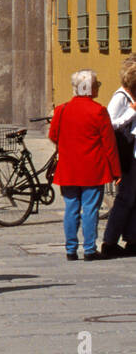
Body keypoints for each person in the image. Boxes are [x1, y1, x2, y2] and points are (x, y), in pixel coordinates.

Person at [50, 69, 121, 261]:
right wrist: (116, 171)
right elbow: (109, 144)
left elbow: (53, 135)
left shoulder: (61, 109)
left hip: (69, 168)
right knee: (90, 209)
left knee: (71, 208)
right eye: (97, 84)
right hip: (93, 169)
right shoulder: (98, 111)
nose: (98, 87)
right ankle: (89, 249)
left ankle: (71, 249)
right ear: (89, 88)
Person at [101, 58, 136, 256]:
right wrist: (130, 114)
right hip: (126, 155)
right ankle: (109, 242)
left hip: (134, 153)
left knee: (134, 198)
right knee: (124, 198)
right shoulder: (121, 97)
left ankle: (132, 239)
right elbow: (110, 124)